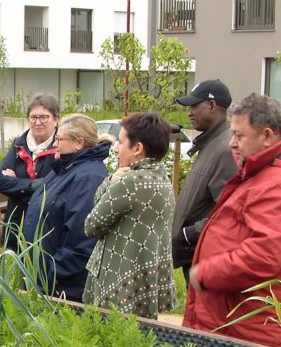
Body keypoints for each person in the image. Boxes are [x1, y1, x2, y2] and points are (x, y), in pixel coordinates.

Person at [184, 93, 281, 347]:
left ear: (267, 136)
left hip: (250, 327)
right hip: (236, 318)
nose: (232, 143)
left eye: (239, 136)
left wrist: (206, 273)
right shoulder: (264, 175)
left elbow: (264, 255)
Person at [83, 112, 177, 320]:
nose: (116, 149)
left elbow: (91, 225)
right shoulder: (163, 180)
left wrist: (110, 181)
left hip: (116, 285)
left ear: (137, 149)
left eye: (121, 142)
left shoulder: (129, 183)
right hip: (144, 282)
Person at [20, 113, 111, 301]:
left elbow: (81, 241)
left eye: (59, 139)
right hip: (42, 279)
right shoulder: (65, 168)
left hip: (62, 288)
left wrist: (47, 275)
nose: (55, 144)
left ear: (78, 143)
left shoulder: (88, 178)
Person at [172, 79, 238, 284]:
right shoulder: (210, 144)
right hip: (194, 253)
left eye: (194, 105)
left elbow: (229, 211)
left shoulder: (225, 149)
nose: (189, 112)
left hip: (204, 256)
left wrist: (188, 234)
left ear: (211, 105)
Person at [0, 93, 60, 252]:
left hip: (47, 228)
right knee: (16, 274)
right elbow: (0, 181)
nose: (37, 122)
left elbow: (57, 186)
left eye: (44, 117)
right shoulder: (19, 145)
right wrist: (35, 184)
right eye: (33, 117)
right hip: (16, 224)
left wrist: (18, 185)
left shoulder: (61, 147)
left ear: (56, 119)